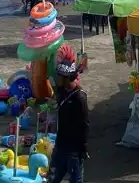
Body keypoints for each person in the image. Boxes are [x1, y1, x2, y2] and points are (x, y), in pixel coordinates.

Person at [48, 48, 88, 183]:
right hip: (60, 146)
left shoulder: (79, 97)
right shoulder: (61, 91)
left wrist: (83, 148)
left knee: (75, 180)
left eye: (59, 76)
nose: (56, 78)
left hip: (73, 150)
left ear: (66, 78)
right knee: (53, 179)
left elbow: (84, 124)